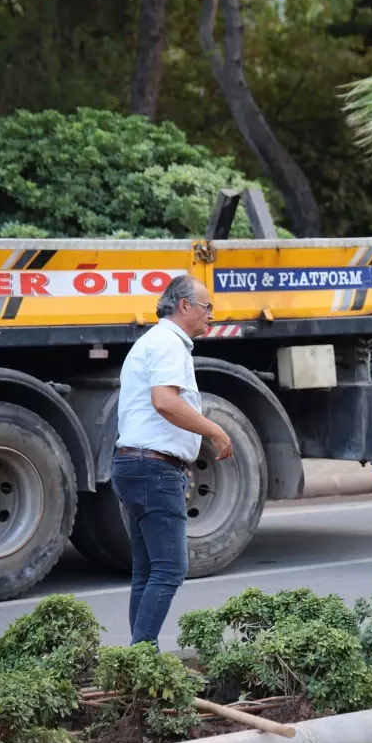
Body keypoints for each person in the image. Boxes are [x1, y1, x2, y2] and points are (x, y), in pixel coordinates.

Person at [113, 275, 233, 647]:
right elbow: (164, 401)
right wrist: (215, 430)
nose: (211, 315)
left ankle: (137, 659)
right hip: (154, 469)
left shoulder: (155, 341)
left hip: (135, 465)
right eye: (206, 307)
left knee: (148, 571)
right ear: (184, 306)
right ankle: (141, 657)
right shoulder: (169, 344)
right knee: (170, 569)